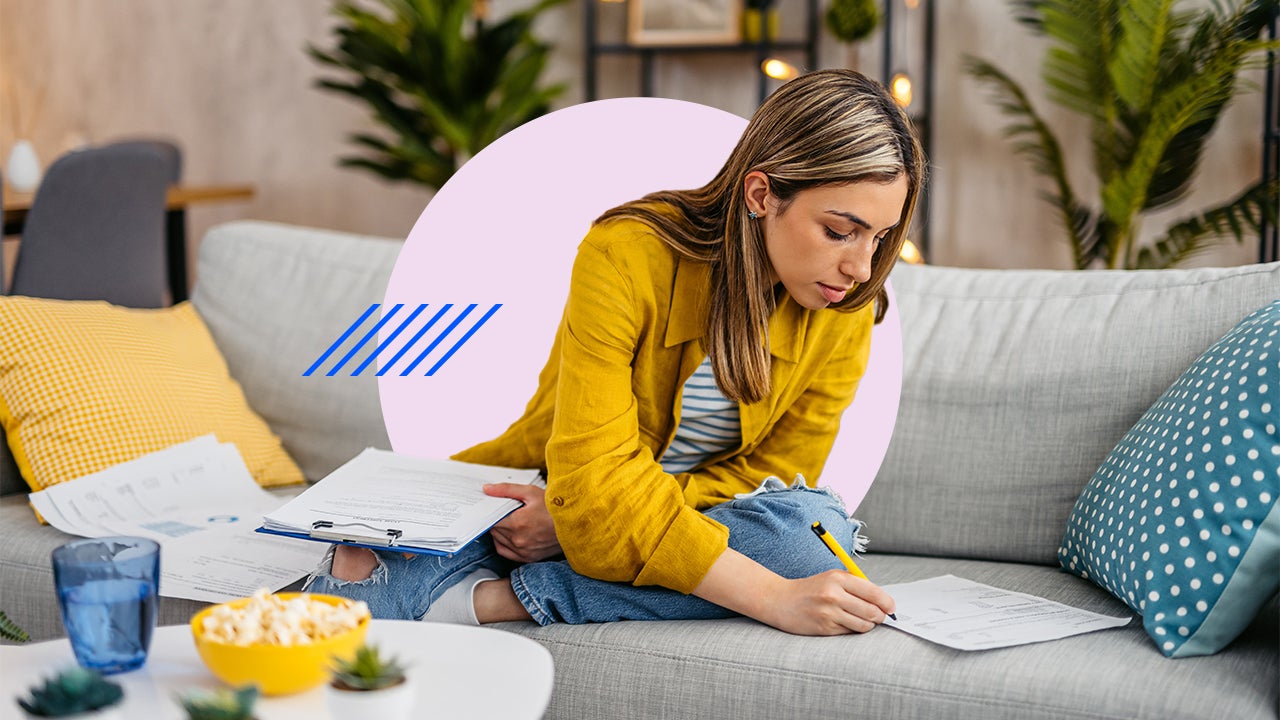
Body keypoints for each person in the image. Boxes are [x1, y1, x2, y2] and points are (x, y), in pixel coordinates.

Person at [304, 68, 926, 636]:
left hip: (635, 510)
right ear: (762, 195)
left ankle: (496, 602)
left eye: (880, 239)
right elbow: (592, 473)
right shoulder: (624, 252)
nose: (860, 266)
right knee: (354, 563)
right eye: (840, 231)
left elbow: (766, 482)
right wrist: (771, 597)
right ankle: (439, 580)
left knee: (813, 534)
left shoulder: (848, 306)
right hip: (541, 489)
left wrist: (580, 524)